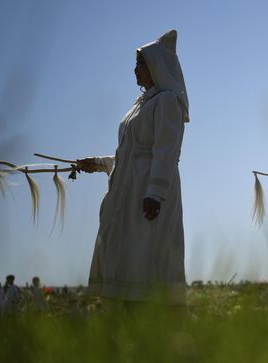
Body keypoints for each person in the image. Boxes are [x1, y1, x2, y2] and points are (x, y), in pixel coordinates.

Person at [79, 29, 189, 305]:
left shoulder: (166, 102)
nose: (135, 69)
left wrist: (155, 193)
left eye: (140, 63)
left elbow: (165, 151)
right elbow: (130, 154)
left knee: (146, 256)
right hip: (128, 194)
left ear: (156, 66)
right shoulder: (139, 106)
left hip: (148, 195)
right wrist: (101, 164)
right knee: (127, 256)